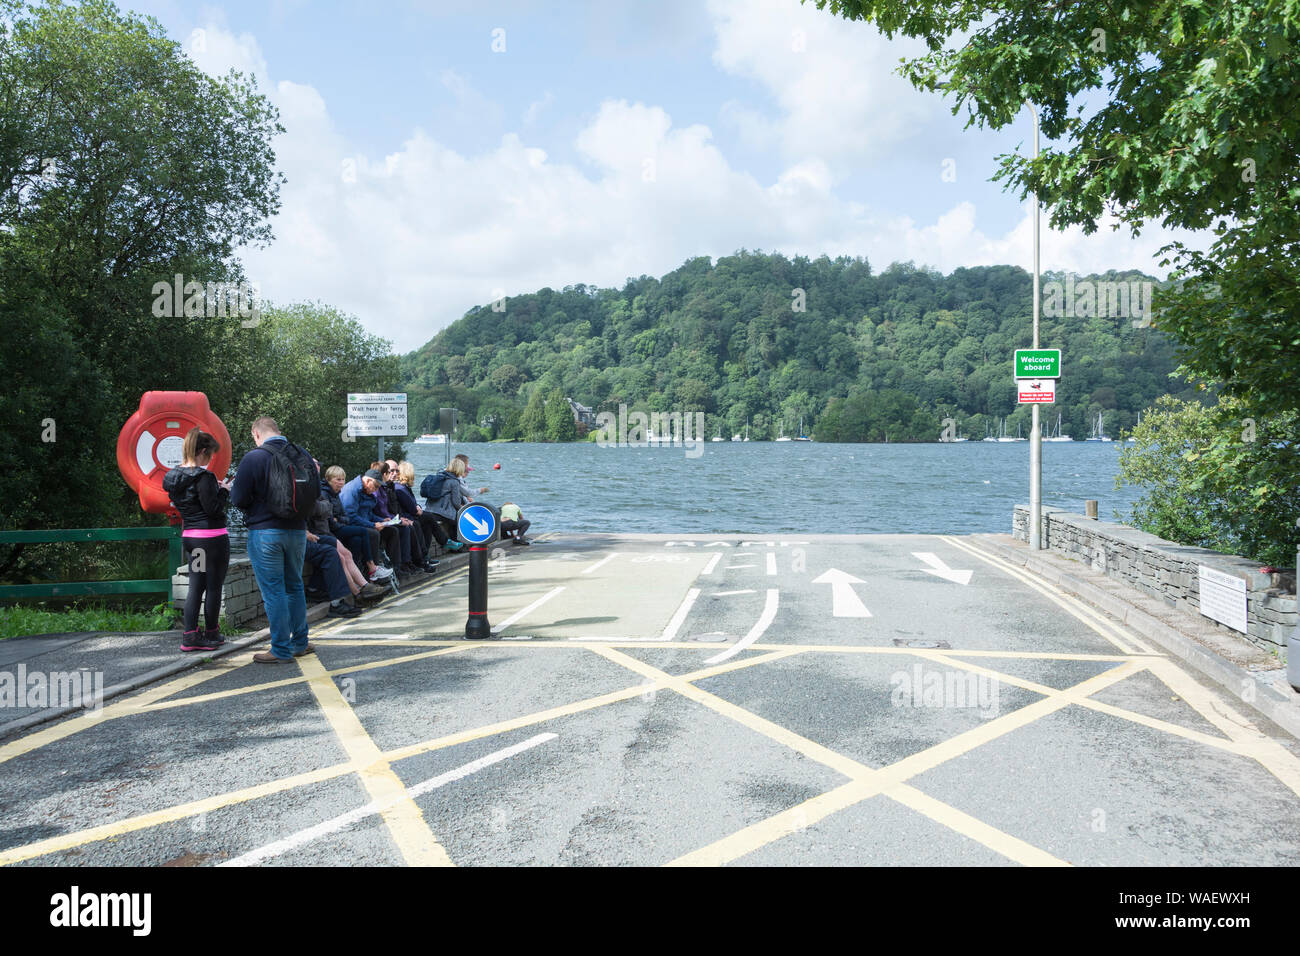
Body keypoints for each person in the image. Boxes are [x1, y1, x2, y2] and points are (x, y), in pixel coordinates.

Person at [229, 416, 315, 663]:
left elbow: (238, 499)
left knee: (274, 591)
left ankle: (279, 649)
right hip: (297, 531)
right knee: (295, 586)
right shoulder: (302, 454)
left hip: (266, 532)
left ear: (256, 433)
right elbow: (315, 492)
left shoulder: (254, 458)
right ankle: (300, 642)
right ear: (278, 431)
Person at [163, 427, 231, 652]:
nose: (210, 460)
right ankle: (211, 632)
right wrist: (224, 491)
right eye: (210, 455)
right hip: (212, 540)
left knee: (196, 586)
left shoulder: (173, 477)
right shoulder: (204, 477)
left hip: (191, 538)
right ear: (202, 451)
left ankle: (190, 635)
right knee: (213, 587)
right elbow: (212, 509)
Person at [321, 466, 390, 583]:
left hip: (342, 525)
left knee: (357, 540)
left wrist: (381, 520)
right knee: (369, 533)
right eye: (338, 479)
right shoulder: (350, 491)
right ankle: (372, 568)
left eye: (342, 479)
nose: (341, 483)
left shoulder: (336, 493)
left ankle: (361, 576)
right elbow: (347, 517)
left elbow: (346, 516)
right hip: (332, 530)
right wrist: (373, 525)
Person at [340, 467, 404, 571]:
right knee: (374, 534)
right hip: (351, 525)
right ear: (368, 480)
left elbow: (369, 514)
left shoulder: (367, 491)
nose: (376, 489)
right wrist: (373, 525)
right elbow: (350, 516)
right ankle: (374, 569)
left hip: (363, 522)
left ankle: (395, 567)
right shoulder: (352, 490)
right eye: (376, 486)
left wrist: (381, 520)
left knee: (393, 531)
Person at [390, 460, 439, 572]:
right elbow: (411, 508)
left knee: (426, 523)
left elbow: (411, 504)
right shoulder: (399, 488)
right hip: (404, 517)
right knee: (422, 521)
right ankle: (419, 560)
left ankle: (423, 558)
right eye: (391, 471)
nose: (395, 473)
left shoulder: (398, 488)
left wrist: (416, 508)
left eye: (396, 471)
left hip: (403, 517)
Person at [425, 457, 469, 550]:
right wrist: (465, 508)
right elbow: (456, 503)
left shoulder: (439, 476)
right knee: (459, 519)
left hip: (429, 510)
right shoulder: (454, 482)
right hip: (442, 512)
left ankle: (456, 546)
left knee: (454, 520)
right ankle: (460, 546)